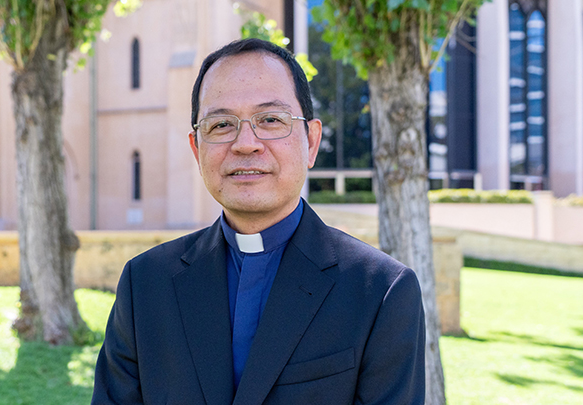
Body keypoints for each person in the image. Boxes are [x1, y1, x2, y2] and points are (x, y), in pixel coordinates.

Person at [92, 38, 425, 405]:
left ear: (311, 142)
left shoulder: (380, 292)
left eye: (270, 120)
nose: (245, 143)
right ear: (196, 149)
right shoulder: (144, 285)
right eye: (221, 124)